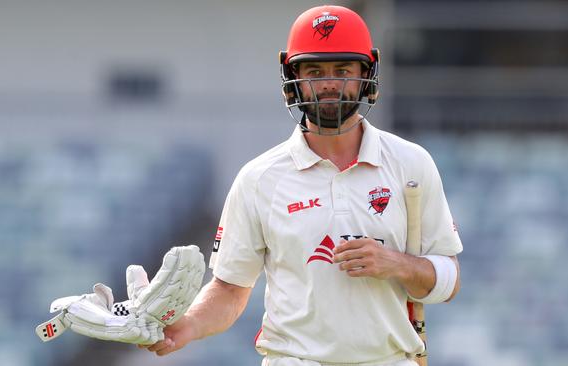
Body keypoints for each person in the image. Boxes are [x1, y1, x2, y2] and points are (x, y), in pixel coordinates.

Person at [144, 5, 463, 366]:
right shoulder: (259, 178)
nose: (328, 84)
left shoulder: (411, 163)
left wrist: (397, 264)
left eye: (342, 70)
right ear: (293, 76)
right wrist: (185, 326)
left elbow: (448, 282)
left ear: (366, 75)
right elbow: (230, 288)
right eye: (315, 71)